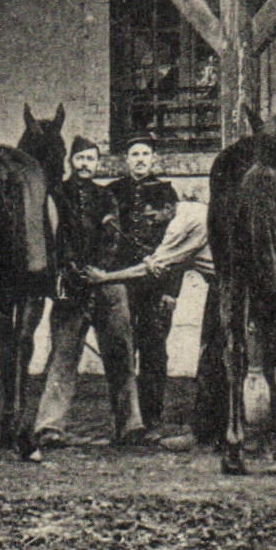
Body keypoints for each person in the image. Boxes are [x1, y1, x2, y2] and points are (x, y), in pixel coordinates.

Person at [35, 135, 145, 448]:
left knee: (120, 355)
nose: (85, 165)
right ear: (71, 161)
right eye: (80, 158)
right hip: (71, 289)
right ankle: (49, 427)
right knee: (63, 357)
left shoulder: (106, 197)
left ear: (97, 164)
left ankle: (129, 425)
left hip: (108, 286)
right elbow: (53, 238)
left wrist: (99, 270)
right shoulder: (55, 195)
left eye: (91, 159)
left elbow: (113, 236)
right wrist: (70, 271)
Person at [86, 189, 211, 451]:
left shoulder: (181, 225)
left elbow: (151, 268)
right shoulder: (194, 210)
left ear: (168, 207)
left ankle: (207, 433)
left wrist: (104, 278)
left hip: (228, 286)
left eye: (153, 215)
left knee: (212, 357)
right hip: (221, 284)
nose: (152, 221)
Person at [107, 131, 180, 435]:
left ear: (154, 159)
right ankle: (125, 421)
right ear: (126, 160)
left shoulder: (166, 193)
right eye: (134, 154)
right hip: (123, 283)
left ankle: (152, 419)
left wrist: (171, 292)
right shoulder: (112, 192)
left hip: (156, 285)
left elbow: (177, 245)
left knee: (153, 350)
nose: (140, 160)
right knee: (122, 350)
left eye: (145, 154)